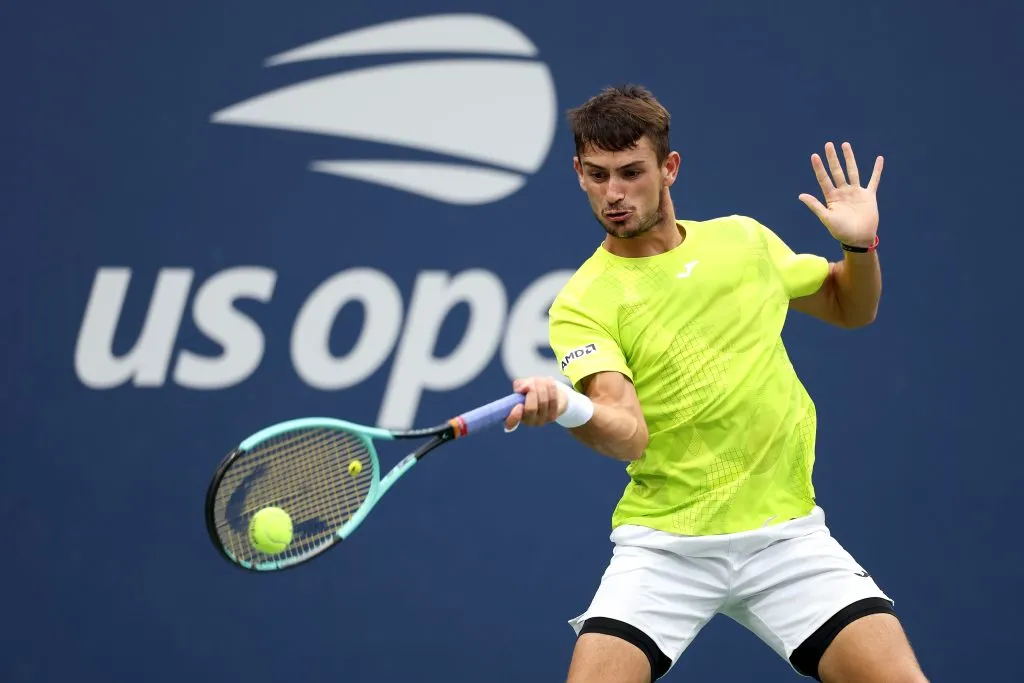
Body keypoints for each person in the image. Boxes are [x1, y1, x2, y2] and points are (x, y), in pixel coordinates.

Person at [502, 85, 928, 683]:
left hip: (786, 539)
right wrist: (571, 407)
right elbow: (626, 432)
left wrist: (858, 245)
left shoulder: (742, 241)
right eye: (597, 176)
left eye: (631, 172)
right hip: (666, 549)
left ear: (668, 168)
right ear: (577, 174)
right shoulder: (583, 302)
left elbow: (849, 307)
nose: (614, 194)